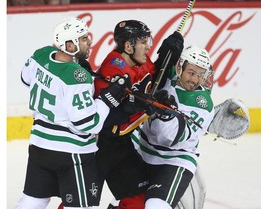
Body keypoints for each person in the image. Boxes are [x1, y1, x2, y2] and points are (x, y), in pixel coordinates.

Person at [15, 17, 129, 209]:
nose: (90, 42)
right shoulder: (77, 76)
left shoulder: (41, 54)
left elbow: (26, 79)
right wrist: (106, 100)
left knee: (32, 201)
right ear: (69, 45)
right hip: (70, 153)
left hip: (39, 147)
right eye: (83, 39)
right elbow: (88, 124)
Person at [94, 20, 184, 209]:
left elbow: (152, 83)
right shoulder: (114, 67)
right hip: (94, 147)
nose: (148, 46)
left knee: (138, 199)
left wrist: (168, 56)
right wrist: (141, 105)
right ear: (128, 46)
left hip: (119, 144)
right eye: (143, 42)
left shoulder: (140, 62)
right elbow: (108, 117)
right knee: (78, 203)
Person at [129, 44, 215, 209]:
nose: (195, 80)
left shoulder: (201, 102)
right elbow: (146, 73)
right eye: (191, 73)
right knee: (123, 204)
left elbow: (169, 138)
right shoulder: (166, 77)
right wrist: (165, 54)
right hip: (143, 154)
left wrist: (164, 111)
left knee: (155, 206)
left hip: (174, 161)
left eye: (200, 75)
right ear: (179, 67)